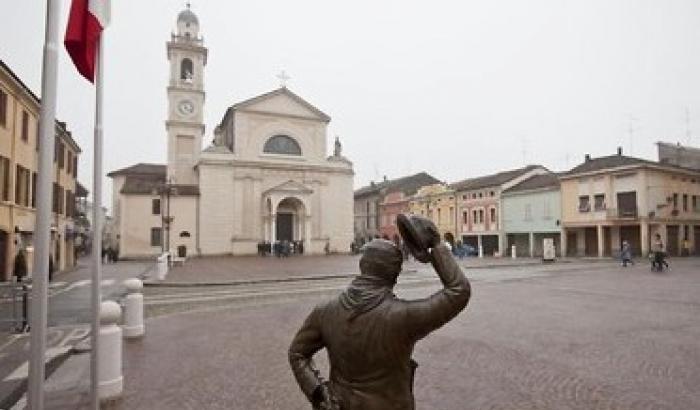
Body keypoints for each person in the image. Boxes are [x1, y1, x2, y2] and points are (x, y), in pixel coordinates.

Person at [289, 215, 471, 410]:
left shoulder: (325, 311)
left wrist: (317, 393)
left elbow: (297, 353)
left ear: (363, 266)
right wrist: (436, 245)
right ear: (394, 273)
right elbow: (458, 291)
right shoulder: (403, 317)